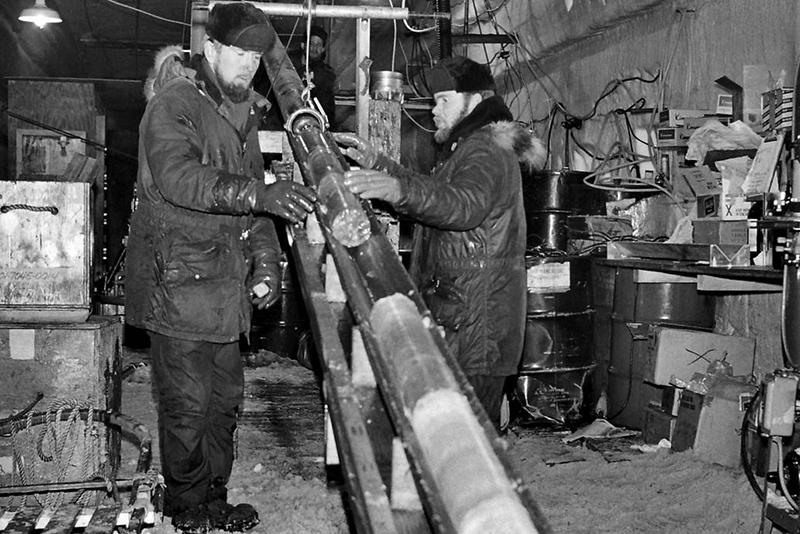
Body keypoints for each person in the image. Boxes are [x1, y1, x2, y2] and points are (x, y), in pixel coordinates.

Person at [125, 3, 316, 533]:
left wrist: (268, 263)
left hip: (224, 290)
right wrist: (260, 193)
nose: (250, 65)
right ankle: (188, 507)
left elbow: (257, 204)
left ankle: (213, 496)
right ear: (210, 49)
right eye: (240, 53)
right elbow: (179, 178)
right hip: (180, 282)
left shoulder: (242, 113)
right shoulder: (175, 104)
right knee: (188, 405)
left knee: (225, 402)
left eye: (257, 56)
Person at [334, 56, 545, 431]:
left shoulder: (485, 152)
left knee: (466, 442)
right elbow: (437, 194)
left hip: (475, 325)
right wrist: (378, 163)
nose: (433, 111)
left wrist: (397, 190)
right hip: (462, 316)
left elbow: (461, 206)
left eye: (443, 100)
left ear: (476, 101)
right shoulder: (469, 146)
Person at [292, 25, 337, 127]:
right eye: (311, 43)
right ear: (303, 45)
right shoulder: (291, 68)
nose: (315, 48)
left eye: (319, 45)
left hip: (319, 126)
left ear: (323, 49)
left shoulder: (326, 73)